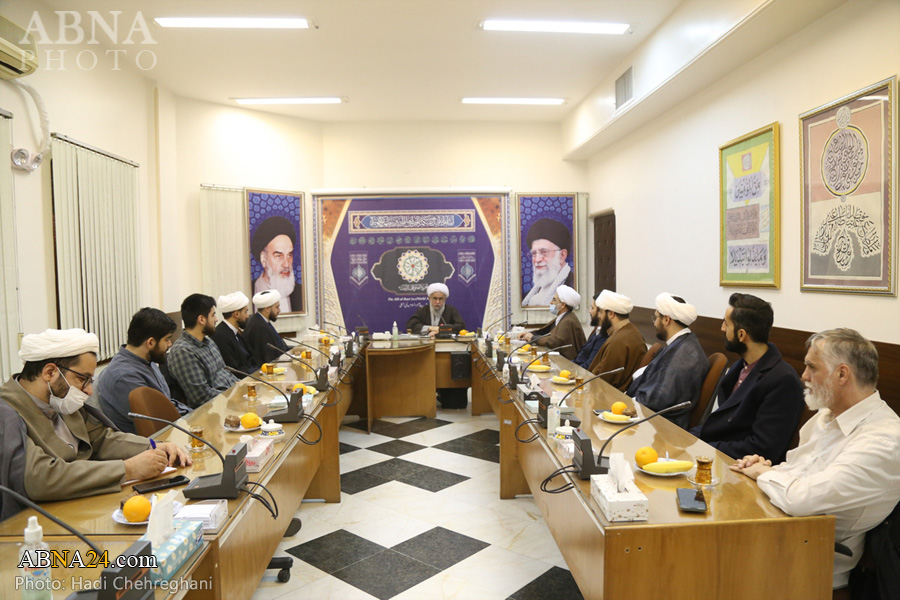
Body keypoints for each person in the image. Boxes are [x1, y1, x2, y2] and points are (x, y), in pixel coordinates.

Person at [731, 329, 900, 592]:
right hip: (778, 532)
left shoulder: (884, 441)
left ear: (842, 374)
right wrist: (768, 468)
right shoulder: (827, 415)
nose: (804, 376)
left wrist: (762, 475)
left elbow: (802, 499)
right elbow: (797, 470)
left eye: (811, 367)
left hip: (810, 564)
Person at [0, 328, 191, 501]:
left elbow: (101, 439)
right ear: (50, 372)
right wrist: (129, 469)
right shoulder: (7, 413)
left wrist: (154, 446)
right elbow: (41, 478)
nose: (89, 391)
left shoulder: (58, 398)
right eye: (83, 379)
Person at [690, 293, 804, 464]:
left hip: (741, 470)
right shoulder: (740, 365)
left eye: (726, 324)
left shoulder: (782, 380)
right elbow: (721, 425)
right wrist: (687, 440)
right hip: (719, 457)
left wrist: (704, 448)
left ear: (742, 335)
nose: (722, 328)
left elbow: (762, 448)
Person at [96, 308, 191, 434]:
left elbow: (166, 402)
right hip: (154, 443)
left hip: (169, 430)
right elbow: (159, 420)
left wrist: (192, 414)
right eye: (167, 339)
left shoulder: (147, 361)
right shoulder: (124, 377)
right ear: (151, 342)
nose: (170, 345)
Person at [626, 293, 709, 428]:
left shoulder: (685, 353)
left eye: (656, 317)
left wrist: (627, 405)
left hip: (664, 427)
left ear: (666, 320)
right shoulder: (681, 344)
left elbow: (660, 399)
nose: (654, 323)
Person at [167, 294, 239, 408]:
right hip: (213, 412)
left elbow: (226, 373)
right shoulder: (183, 351)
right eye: (213, 315)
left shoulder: (208, 341)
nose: (216, 319)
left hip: (229, 402)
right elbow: (201, 396)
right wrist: (235, 395)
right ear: (201, 319)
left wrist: (242, 387)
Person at [587, 290, 646, 391]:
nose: (599, 316)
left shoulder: (619, 340)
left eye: (601, 312)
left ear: (611, 314)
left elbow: (603, 380)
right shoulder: (629, 331)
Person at [517, 285, 585, 361]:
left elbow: (554, 342)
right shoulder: (563, 317)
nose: (550, 302)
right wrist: (528, 334)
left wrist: (532, 338)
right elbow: (545, 332)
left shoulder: (568, 321)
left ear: (563, 305)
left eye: (554, 300)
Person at [251, 216, 303, 313]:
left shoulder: (301, 293)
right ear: (264, 258)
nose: (286, 264)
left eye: (289, 255)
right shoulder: (250, 290)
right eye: (279, 256)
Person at [521, 218, 575, 307]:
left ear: (562, 255)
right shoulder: (528, 297)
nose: (537, 259)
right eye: (534, 253)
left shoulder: (573, 289)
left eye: (544, 252)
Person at [211, 291, 257, 374]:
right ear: (236, 314)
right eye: (245, 312)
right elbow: (234, 369)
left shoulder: (235, 332)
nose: (247, 316)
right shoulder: (221, 335)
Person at [243, 289, 288, 366]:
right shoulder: (259, 327)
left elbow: (279, 346)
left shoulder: (261, 320)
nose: (279, 310)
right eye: (277, 307)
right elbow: (268, 357)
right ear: (267, 309)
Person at [573, 293, 608, 369]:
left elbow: (588, 366)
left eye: (592, 308)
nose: (590, 311)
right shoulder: (597, 330)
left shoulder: (604, 336)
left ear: (601, 311)